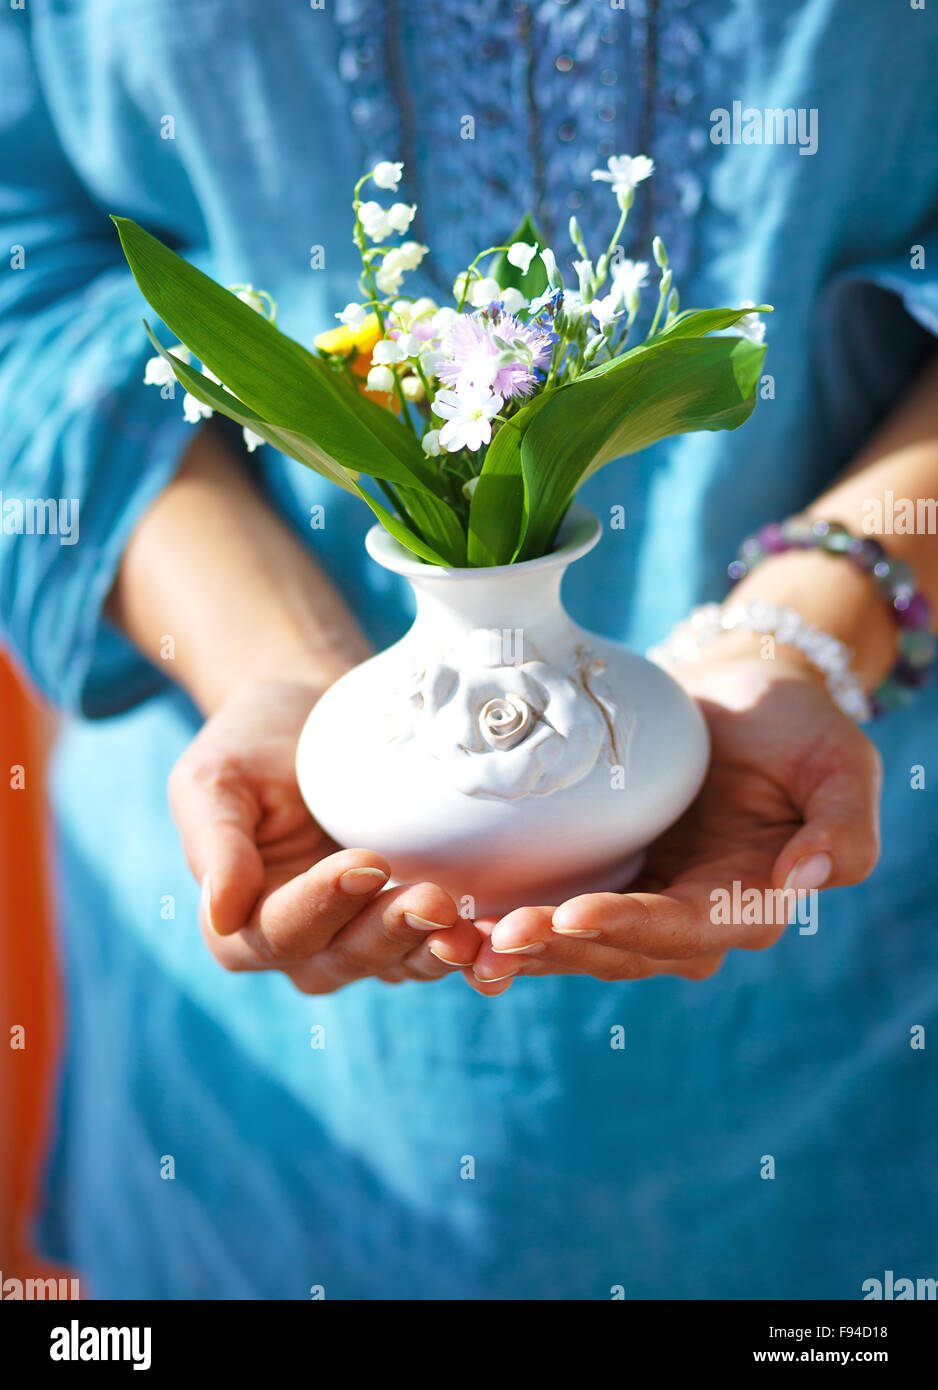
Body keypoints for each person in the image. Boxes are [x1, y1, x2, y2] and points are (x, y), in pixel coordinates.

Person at [1, 0, 936, 1299]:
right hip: (257, 1115)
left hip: (858, 1020)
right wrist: (272, 666)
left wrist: (800, 634)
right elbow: (21, 262)